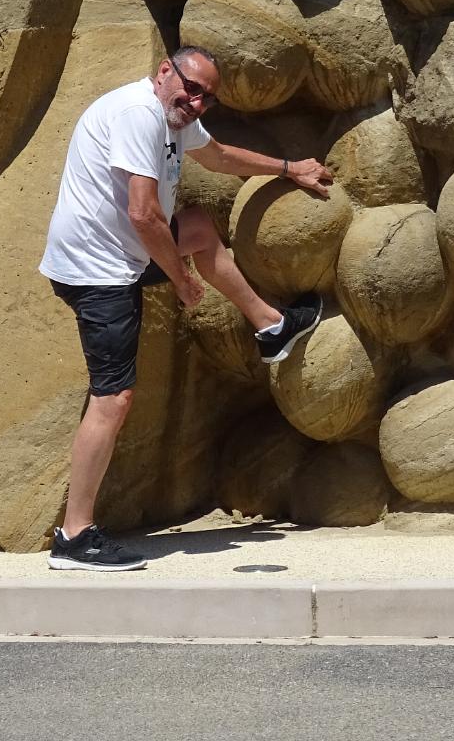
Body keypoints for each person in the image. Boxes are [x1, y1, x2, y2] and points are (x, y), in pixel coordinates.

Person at [39, 45, 331, 572]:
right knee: (114, 398)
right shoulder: (140, 114)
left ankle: (270, 326)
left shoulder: (174, 119)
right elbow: (144, 214)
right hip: (98, 270)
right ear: (163, 72)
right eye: (190, 88)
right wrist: (181, 279)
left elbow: (218, 157)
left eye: (206, 98)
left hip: (119, 252)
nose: (195, 102)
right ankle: (74, 537)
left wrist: (289, 169)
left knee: (196, 226)